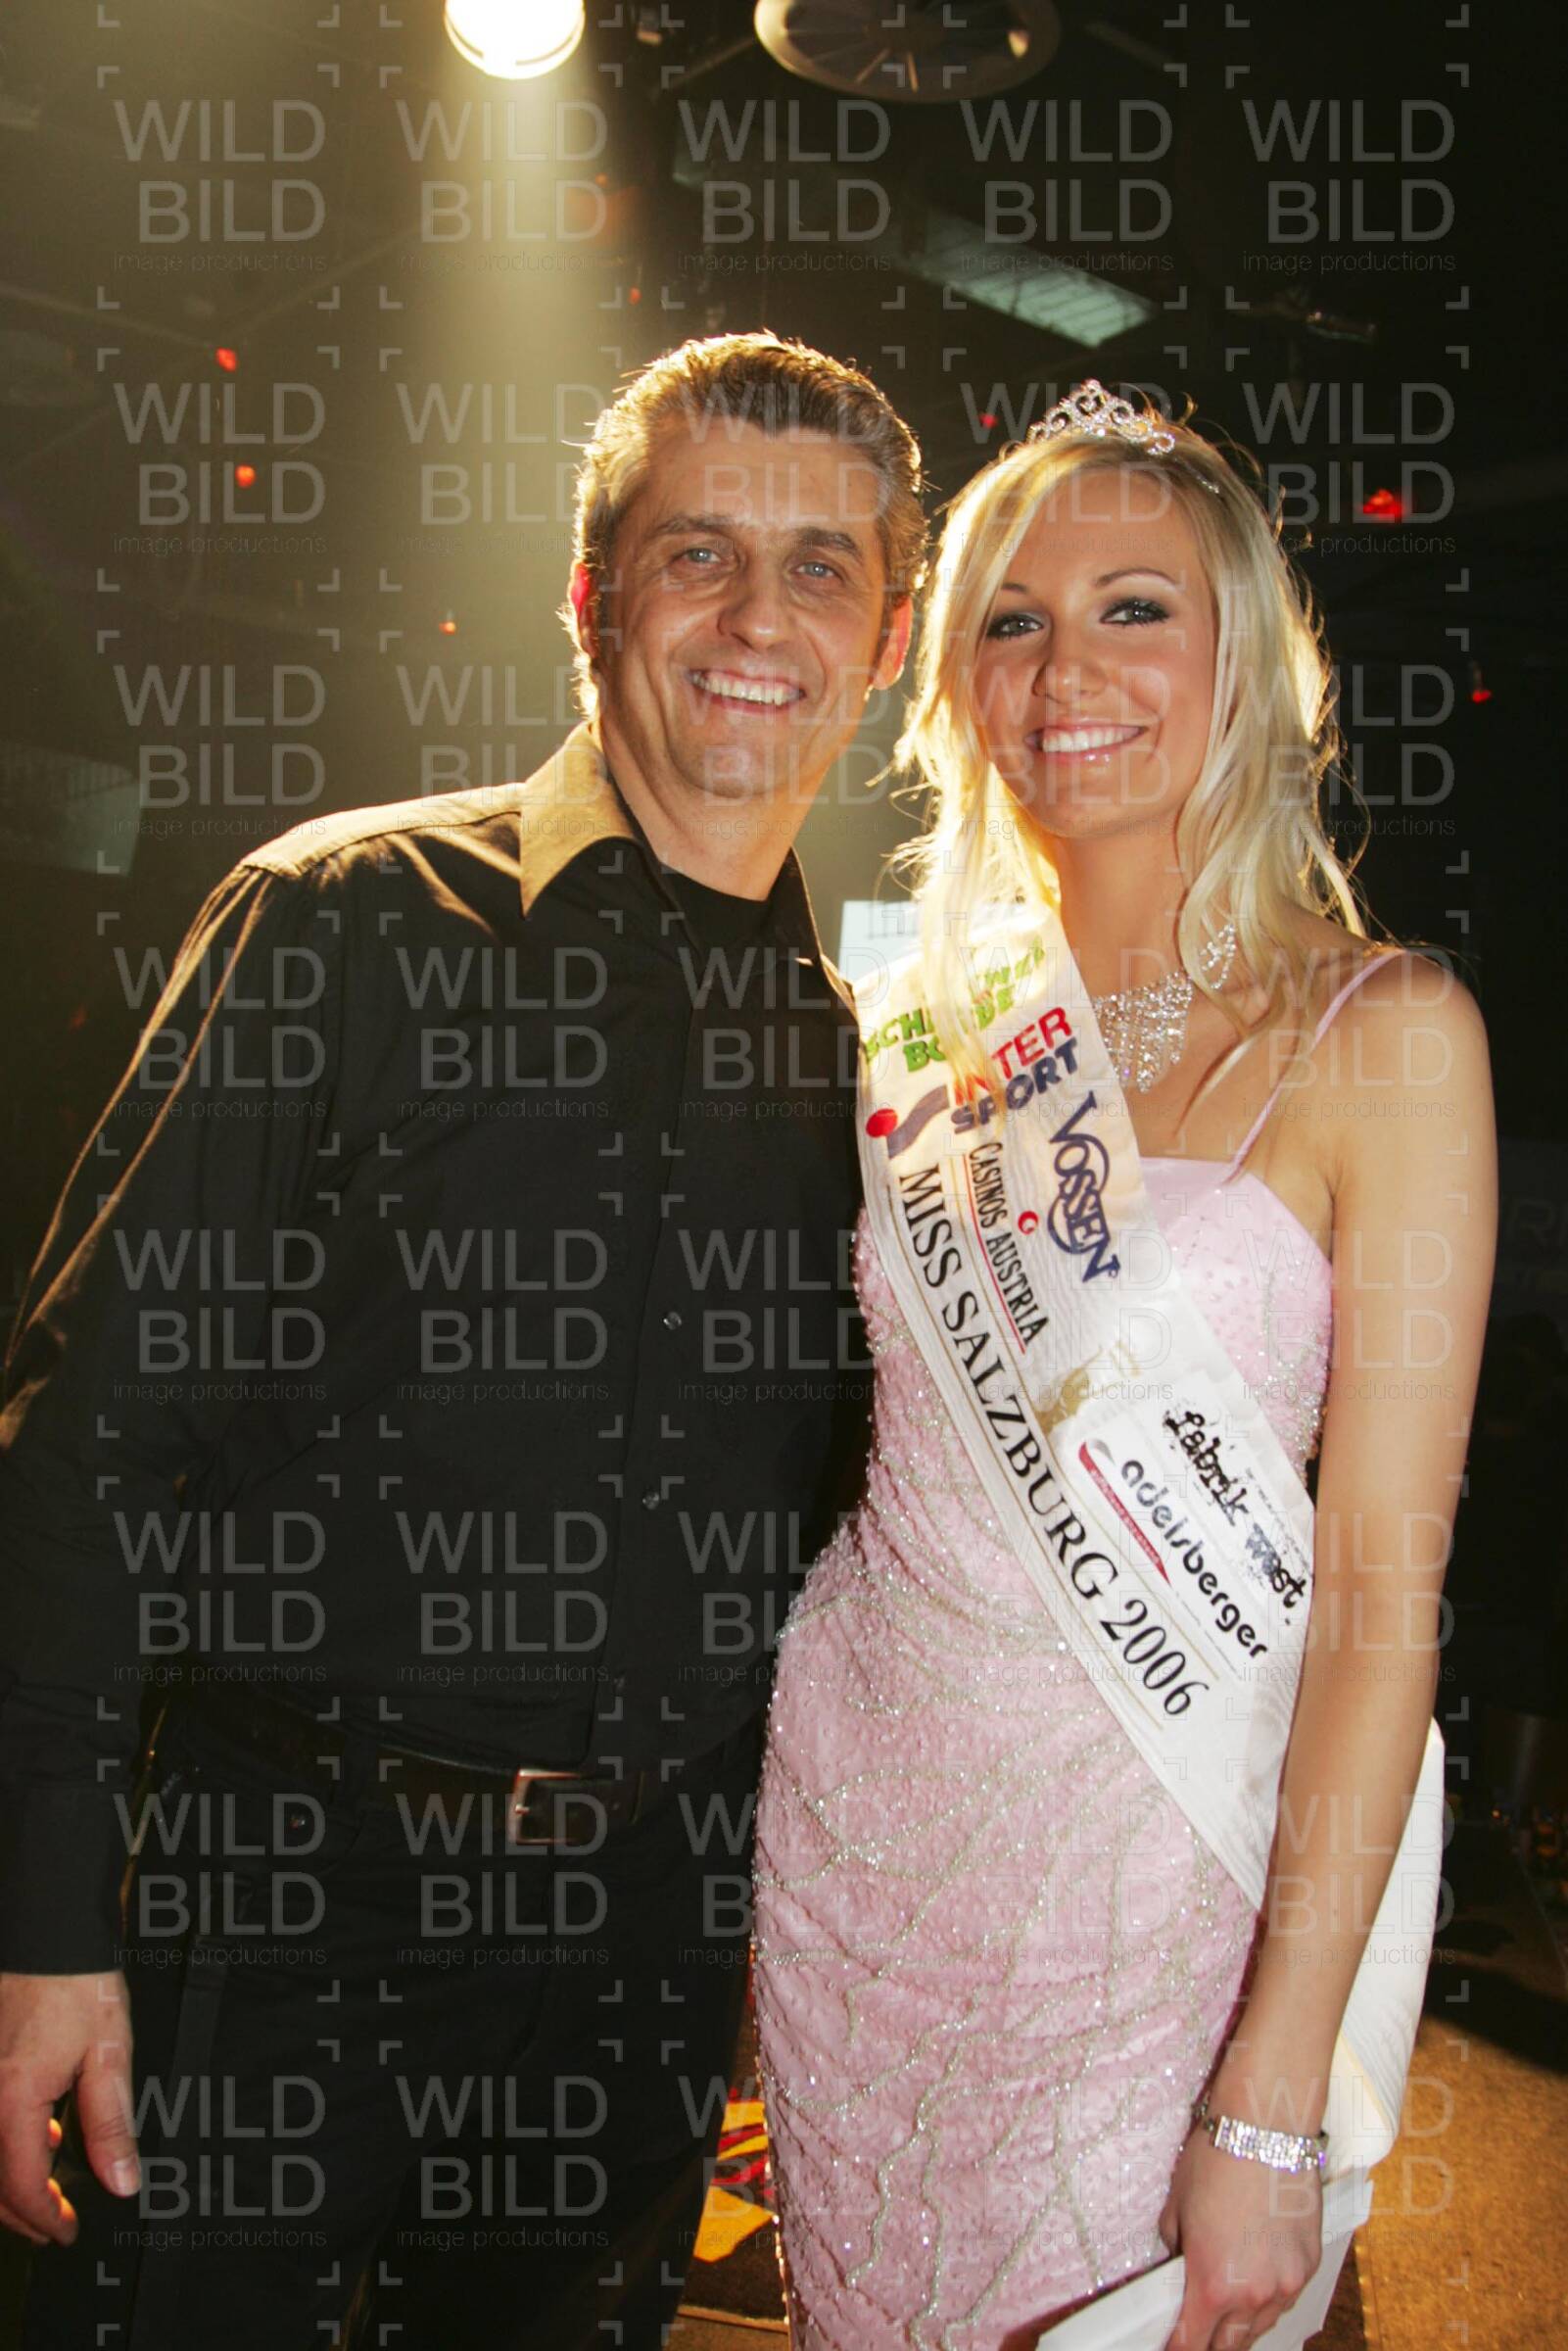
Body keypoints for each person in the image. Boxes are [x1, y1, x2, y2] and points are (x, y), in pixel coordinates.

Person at [0, 330, 922, 2348]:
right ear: (589, 599)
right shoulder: (339, 922)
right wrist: (42, 1928)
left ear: (886, 642)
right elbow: (87, 1450)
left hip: (639, 1958)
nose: (757, 618)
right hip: (278, 1907)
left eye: (821, 568)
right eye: (697, 554)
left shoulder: (859, 1063)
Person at [752, 380, 1497, 2351]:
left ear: (1243, 655)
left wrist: (1271, 2093)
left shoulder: (1385, 1037)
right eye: (1010, 618)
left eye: (1134, 609)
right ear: (952, 681)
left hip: (1170, 1881)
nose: (1064, 671)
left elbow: (1379, 1599)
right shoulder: (918, 1027)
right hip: (860, 1846)